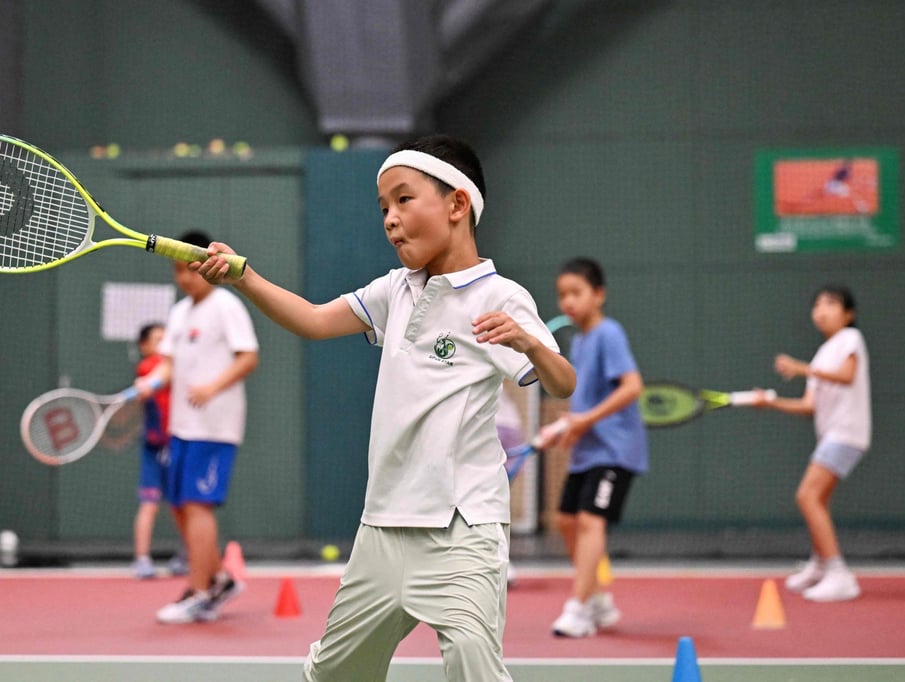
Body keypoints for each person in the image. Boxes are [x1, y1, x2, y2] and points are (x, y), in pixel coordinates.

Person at [195, 134, 576, 682]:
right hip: (383, 526)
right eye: (383, 208)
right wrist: (244, 277)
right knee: (334, 673)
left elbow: (562, 383)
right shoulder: (393, 290)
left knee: (474, 665)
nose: (390, 219)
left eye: (403, 199)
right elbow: (316, 319)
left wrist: (531, 343)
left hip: (460, 525)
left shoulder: (501, 297)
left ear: (457, 204)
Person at [136, 230, 260, 623]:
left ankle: (199, 590)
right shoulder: (178, 312)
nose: (183, 278)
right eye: (176, 271)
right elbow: (168, 363)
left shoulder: (226, 306)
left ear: (205, 265)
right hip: (181, 427)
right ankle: (219, 579)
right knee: (180, 507)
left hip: (215, 427)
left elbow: (248, 357)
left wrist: (211, 387)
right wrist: (153, 381)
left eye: (188, 270)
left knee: (196, 505)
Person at [545, 257, 648, 638]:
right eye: (562, 295)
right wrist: (567, 428)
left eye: (576, 293)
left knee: (590, 520)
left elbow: (632, 386)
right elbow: (583, 403)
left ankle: (579, 607)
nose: (568, 301)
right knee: (567, 521)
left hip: (615, 450)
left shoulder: (609, 334)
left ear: (599, 294)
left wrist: (585, 421)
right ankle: (599, 599)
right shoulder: (581, 340)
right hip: (586, 449)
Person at [753, 284, 870, 602]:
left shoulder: (850, 339)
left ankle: (838, 573)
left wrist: (800, 367)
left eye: (831, 304)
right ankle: (820, 565)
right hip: (833, 434)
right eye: (817, 304)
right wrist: (771, 402)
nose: (822, 310)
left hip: (846, 433)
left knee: (807, 496)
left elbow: (846, 377)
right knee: (818, 499)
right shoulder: (823, 354)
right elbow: (809, 406)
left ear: (848, 314)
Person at [131, 322, 172, 579]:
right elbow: (152, 377)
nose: (164, 345)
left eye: (166, 339)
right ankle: (142, 559)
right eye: (158, 340)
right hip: (154, 448)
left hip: (178, 443)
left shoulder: (175, 365)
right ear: (144, 347)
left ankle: (189, 557)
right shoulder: (148, 366)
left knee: (186, 506)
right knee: (150, 505)